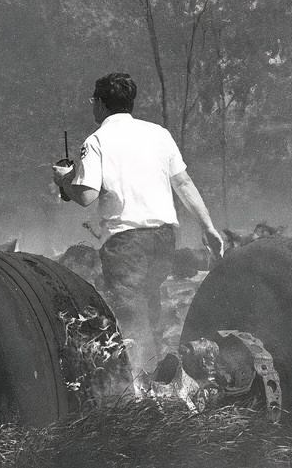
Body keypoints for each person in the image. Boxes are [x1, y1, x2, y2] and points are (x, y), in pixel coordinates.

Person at [52, 72, 223, 370]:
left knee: (131, 316)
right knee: (150, 304)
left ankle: (142, 390)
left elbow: (86, 196)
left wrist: (65, 181)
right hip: (164, 236)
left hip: (127, 240)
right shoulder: (159, 134)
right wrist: (207, 227)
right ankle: (163, 377)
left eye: (94, 101)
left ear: (101, 104)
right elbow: (183, 184)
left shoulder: (96, 141)